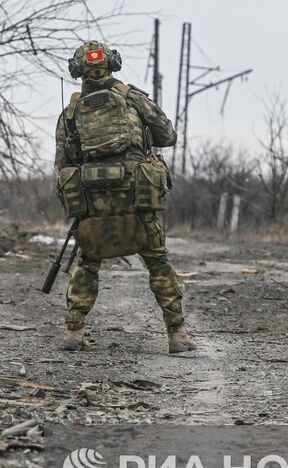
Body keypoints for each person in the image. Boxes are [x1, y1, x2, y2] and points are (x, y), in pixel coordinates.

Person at [53, 40, 194, 354]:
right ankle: (178, 335)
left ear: (77, 72)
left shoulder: (70, 114)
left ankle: (74, 333)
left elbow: (63, 165)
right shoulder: (133, 98)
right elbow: (168, 136)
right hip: (137, 195)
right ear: (112, 64)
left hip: (93, 200)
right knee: (157, 261)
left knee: (88, 263)